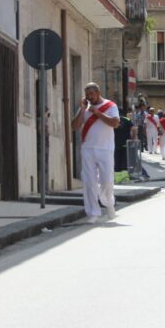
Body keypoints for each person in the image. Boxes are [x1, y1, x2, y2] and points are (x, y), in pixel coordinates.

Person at [71, 82, 119, 224]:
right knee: (89, 181)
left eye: (91, 94)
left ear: (98, 92)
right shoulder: (85, 108)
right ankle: (93, 212)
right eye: (87, 95)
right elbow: (74, 126)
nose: (89, 97)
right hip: (88, 148)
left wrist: (97, 113)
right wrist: (82, 109)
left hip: (105, 148)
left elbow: (115, 123)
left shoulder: (110, 106)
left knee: (106, 181)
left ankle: (109, 204)